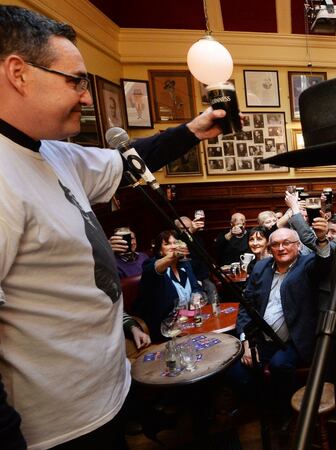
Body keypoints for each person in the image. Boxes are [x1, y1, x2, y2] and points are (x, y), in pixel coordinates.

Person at [0, 6, 229, 447]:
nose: (86, 97)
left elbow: (127, 165)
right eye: (76, 80)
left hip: (103, 399)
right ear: (18, 72)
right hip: (55, 430)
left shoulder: (52, 152)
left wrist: (193, 131)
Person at [234, 222, 331, 422]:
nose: (281, 248)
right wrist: (245, 340)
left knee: (279, 366)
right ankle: (265, 405)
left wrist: (321, 240)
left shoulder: (307, 264)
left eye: (287, 243)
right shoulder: (261, 267)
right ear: (270, 249)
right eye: (276, 245)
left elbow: (324, 264)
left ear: (298, 246)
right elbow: (246, 305)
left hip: (293, 340)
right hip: (260, 337)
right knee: (235, 370)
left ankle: (287, 415)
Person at [134, 230, 205, 343]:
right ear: (159, 250)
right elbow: (153, 269)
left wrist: (196, 296)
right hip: (166, 327)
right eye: (167, 244)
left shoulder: (184, 264)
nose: (173, 247)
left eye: (175, 243)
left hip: (188, 320)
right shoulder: (151, 266)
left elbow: (196, 287)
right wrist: (172, 256)